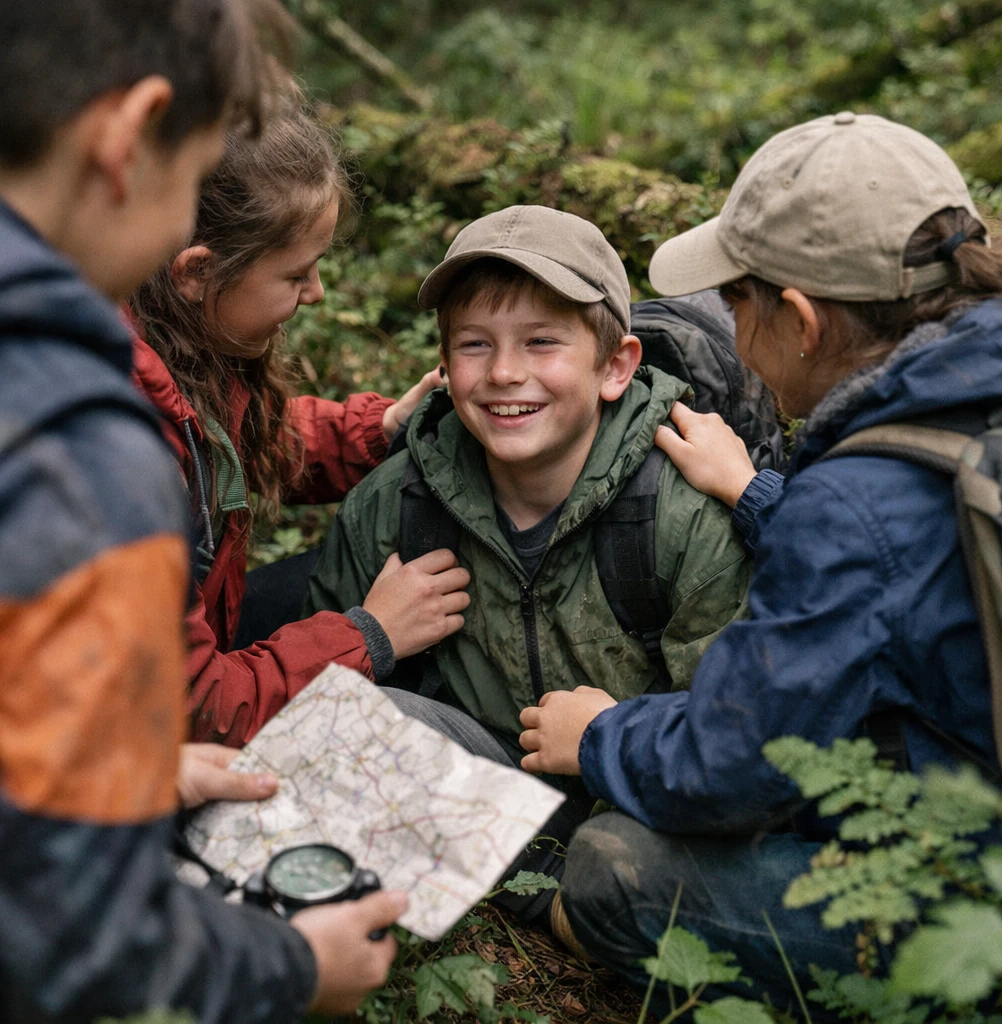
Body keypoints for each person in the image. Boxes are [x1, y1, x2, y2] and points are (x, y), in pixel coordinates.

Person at [517, 112, 1002, 1009]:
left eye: (736, 301)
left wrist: (597, 736)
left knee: (613, 871)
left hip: (988, 901)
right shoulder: (988, 375)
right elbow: (909, 560)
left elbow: (733, 765)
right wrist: (755, 493)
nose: (727, 324)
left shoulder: (857, 506)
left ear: (799, 321)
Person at [0, 3, 407, 1020]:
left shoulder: (149, 369)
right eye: (189, 182)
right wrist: (293, 967)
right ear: (129, 139)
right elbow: (72, 927)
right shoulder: (83, 455)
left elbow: (260, 438)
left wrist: (375, 429)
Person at [306, 204, 752, 924]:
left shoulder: (681, 511)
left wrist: (616, 742)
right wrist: (372, 631)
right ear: (444, 366)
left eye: (542, 343)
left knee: (620, 854)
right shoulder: (396, 505)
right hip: (484, 789)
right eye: (475, 345)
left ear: (615, 366)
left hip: (643, 801)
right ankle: (549, 909)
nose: (506, 373)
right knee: (348, 718)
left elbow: (734, 734)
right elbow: (322, 708)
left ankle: (570, 903)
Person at [129, 97, 470, 747]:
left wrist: (378, 429)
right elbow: (193, 707)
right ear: (198, 272)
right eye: (295, 274)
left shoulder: (178, 342)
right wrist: (371, 635)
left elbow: (239, 437)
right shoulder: (127, 445)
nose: (315, 293)